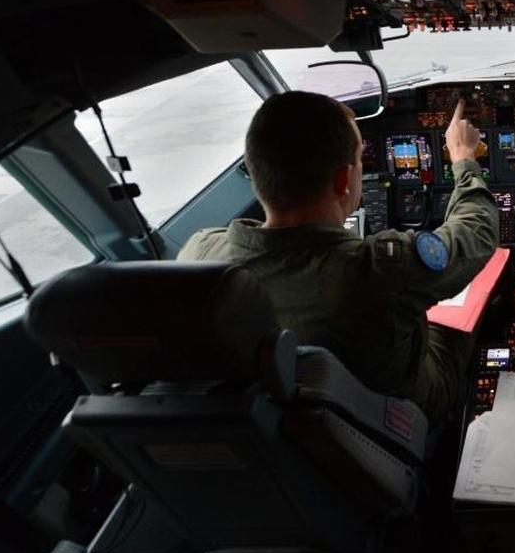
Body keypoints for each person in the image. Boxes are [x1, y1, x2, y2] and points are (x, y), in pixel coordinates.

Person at [178, 91, 498, 423]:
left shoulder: (199, 255)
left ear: (257, 173)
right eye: (361, 160)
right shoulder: (377, 271)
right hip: (400, 412)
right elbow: (476, 233)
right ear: (344, 179)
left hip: (279, 426)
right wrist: (463, 159)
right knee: (473, 316)